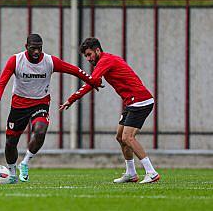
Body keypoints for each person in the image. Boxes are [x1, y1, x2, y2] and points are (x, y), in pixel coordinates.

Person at [0, 33, 99, 183]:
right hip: (19, 105)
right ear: (26, 47)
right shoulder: (16, 60)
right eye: (33, 48)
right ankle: (12, 172)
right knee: (10, 142)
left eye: (39, 48)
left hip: (40, 103)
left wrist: (91, 81)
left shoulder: (49, 61)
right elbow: (2, 82)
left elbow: (74, 70)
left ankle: (25, 162)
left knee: (40, 131)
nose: (36, 52)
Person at [60, 37, 160, 184]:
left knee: (128, 137)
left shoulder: (106, 61)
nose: (88, 58)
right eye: (86, 56)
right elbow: (93, 81)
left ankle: (151, 172)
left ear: (98, 50)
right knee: (120, 137)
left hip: (140, 100)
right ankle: (131, 173)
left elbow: (92, 81)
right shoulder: (106, 61)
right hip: (131, 102)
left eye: (89, 54)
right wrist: (91, 85)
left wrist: (72, 98)